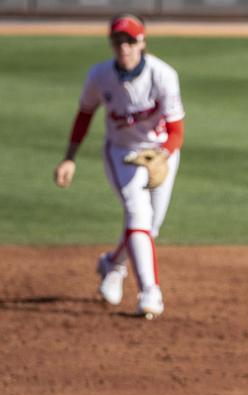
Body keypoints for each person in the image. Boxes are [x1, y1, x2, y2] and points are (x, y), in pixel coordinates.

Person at [53, 13, 185, 319]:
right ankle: (150, 294)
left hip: (161, 153)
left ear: (142, 41)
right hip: (121, 153)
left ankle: (113, 264)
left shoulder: (163, 75)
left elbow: (177, 130)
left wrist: (161, 155)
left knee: (150, 227)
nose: (123, 46)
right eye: (117, 40)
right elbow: (84, 115)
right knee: (138, 215)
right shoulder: (99, 76)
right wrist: (69, 157)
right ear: (111, 43)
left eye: (129, 40)